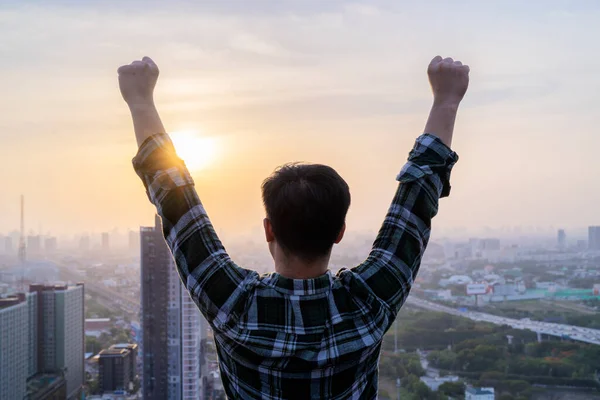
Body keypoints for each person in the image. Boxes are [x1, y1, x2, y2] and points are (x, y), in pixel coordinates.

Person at [118, 55, 468, 399]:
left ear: (269, 230)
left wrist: (140, 101)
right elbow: (414, 204)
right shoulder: (366, 304)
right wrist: (446, 101)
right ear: (339, 232)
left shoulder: (235, 305)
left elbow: (178, 205)